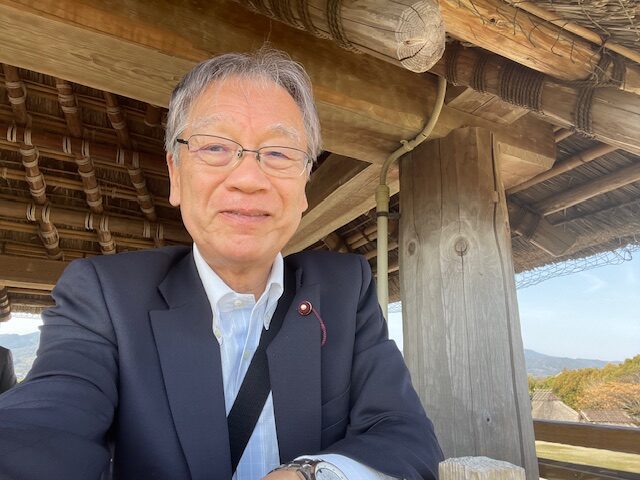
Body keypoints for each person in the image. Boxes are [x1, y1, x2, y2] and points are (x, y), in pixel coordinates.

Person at [0, 48, 443, 480]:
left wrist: (313, 474)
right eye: (214, 147)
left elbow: (406, 436)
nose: (248, 179)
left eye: (279, 152)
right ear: (175, 174)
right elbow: (48, 416)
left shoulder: (345, 291)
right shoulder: (106, 296)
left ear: (304, 186)